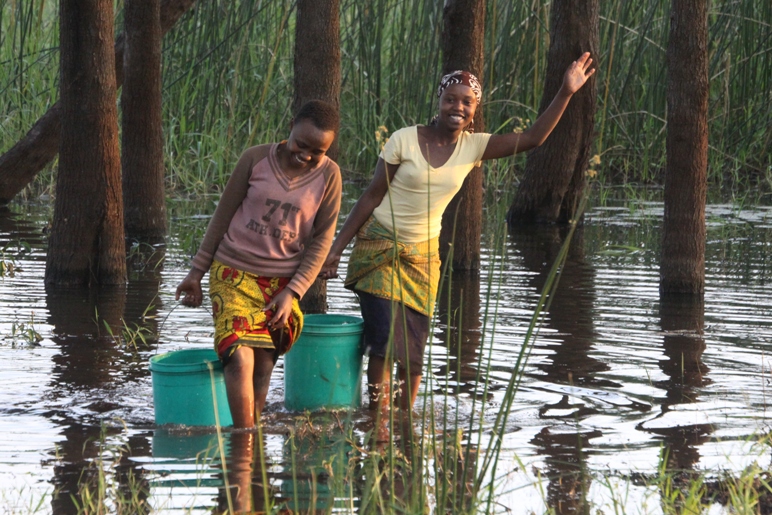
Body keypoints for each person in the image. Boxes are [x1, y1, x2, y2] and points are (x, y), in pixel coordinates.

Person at [319, 53, 595, 435]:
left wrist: (565, 92)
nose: (458, 107)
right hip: (379, 247)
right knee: (383, 340)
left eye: (467, 102)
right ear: (439, 101)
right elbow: (369, 197)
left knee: (413, 356)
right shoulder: (404, 139)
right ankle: (378, 422)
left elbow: (533, 138)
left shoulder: (474, 147)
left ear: (475, 110)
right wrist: (335, 248)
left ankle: (403, 424)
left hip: (422, 257)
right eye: (452, 99)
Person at [176, 99, 342, 428]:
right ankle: (244, 439)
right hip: (232, 272)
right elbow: (222, 216)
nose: (306, 155)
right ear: (291, 124)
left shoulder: (330, 177)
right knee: (237, 355)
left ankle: (253, 445)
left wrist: (293, 292)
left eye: (317, 151)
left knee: (264, 363)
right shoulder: (255, 159)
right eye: (301, 144)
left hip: (281, 286)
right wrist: (196, 272)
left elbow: (322, 241)